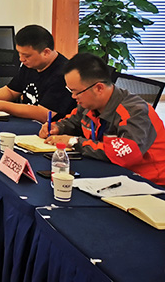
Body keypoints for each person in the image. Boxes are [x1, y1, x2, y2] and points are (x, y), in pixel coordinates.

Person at [39, 53, 165, 185]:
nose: (73, 96)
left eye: (76, 92)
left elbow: (125, 155)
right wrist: (57, 127)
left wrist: (74, 141)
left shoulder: (135, 111)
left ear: (99, 88)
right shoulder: (89, 104)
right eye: (71, 91)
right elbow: (73, 121)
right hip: (108, 172)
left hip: (147, 182)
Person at [0, 25, 75, 122]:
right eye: (19, 53)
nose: (21, 59)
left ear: (46, 52)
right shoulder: (31, 65)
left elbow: (44, 114)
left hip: (50, 129)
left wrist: (0, 105)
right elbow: (11, 91)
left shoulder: (64, 74)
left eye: (27, 55)